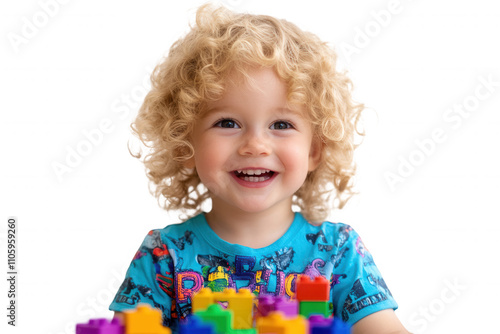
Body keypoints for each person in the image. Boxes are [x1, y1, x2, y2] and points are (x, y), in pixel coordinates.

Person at [109, 4, 409, 333]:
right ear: (185, 146)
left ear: (314, 150)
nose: (255, 145)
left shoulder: (339, 251)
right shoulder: (162, 256)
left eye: (281, 124)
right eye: (227, 122)